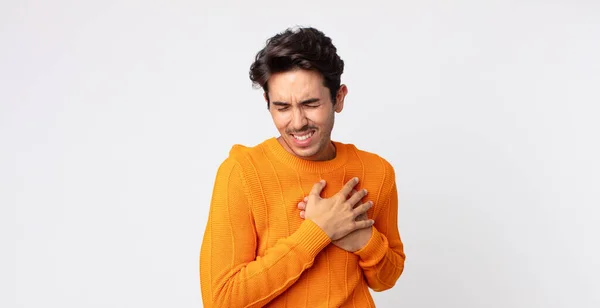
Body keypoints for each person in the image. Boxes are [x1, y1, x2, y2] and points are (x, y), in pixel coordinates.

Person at [199, 26, 405, 307]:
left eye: (310, 104)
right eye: (282, 107)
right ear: (267, 102)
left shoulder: (376, 171)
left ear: (339, 98)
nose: (297, 122)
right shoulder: (243, 172)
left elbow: (386, 278)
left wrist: (362, 239)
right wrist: (318, 231)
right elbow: (222, 300)